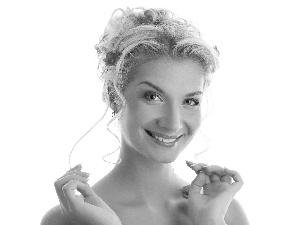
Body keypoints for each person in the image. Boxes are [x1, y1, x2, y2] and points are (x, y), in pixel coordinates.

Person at [41, 7, 250, 225]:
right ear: (115, 96)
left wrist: (210, 222)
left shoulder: (223, 211)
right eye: (153, 96)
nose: (173, 123)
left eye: (190, 101)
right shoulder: (70, 219)